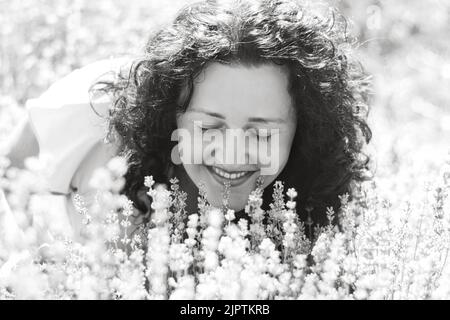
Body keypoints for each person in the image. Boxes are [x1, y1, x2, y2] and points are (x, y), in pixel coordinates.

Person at [6, 0, 372, 239]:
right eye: (209, 126)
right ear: (172, 114)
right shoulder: (99, 111)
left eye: (260, 132)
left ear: (303, 130)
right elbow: (12, 167)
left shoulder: (315, 205)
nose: (231, 155)